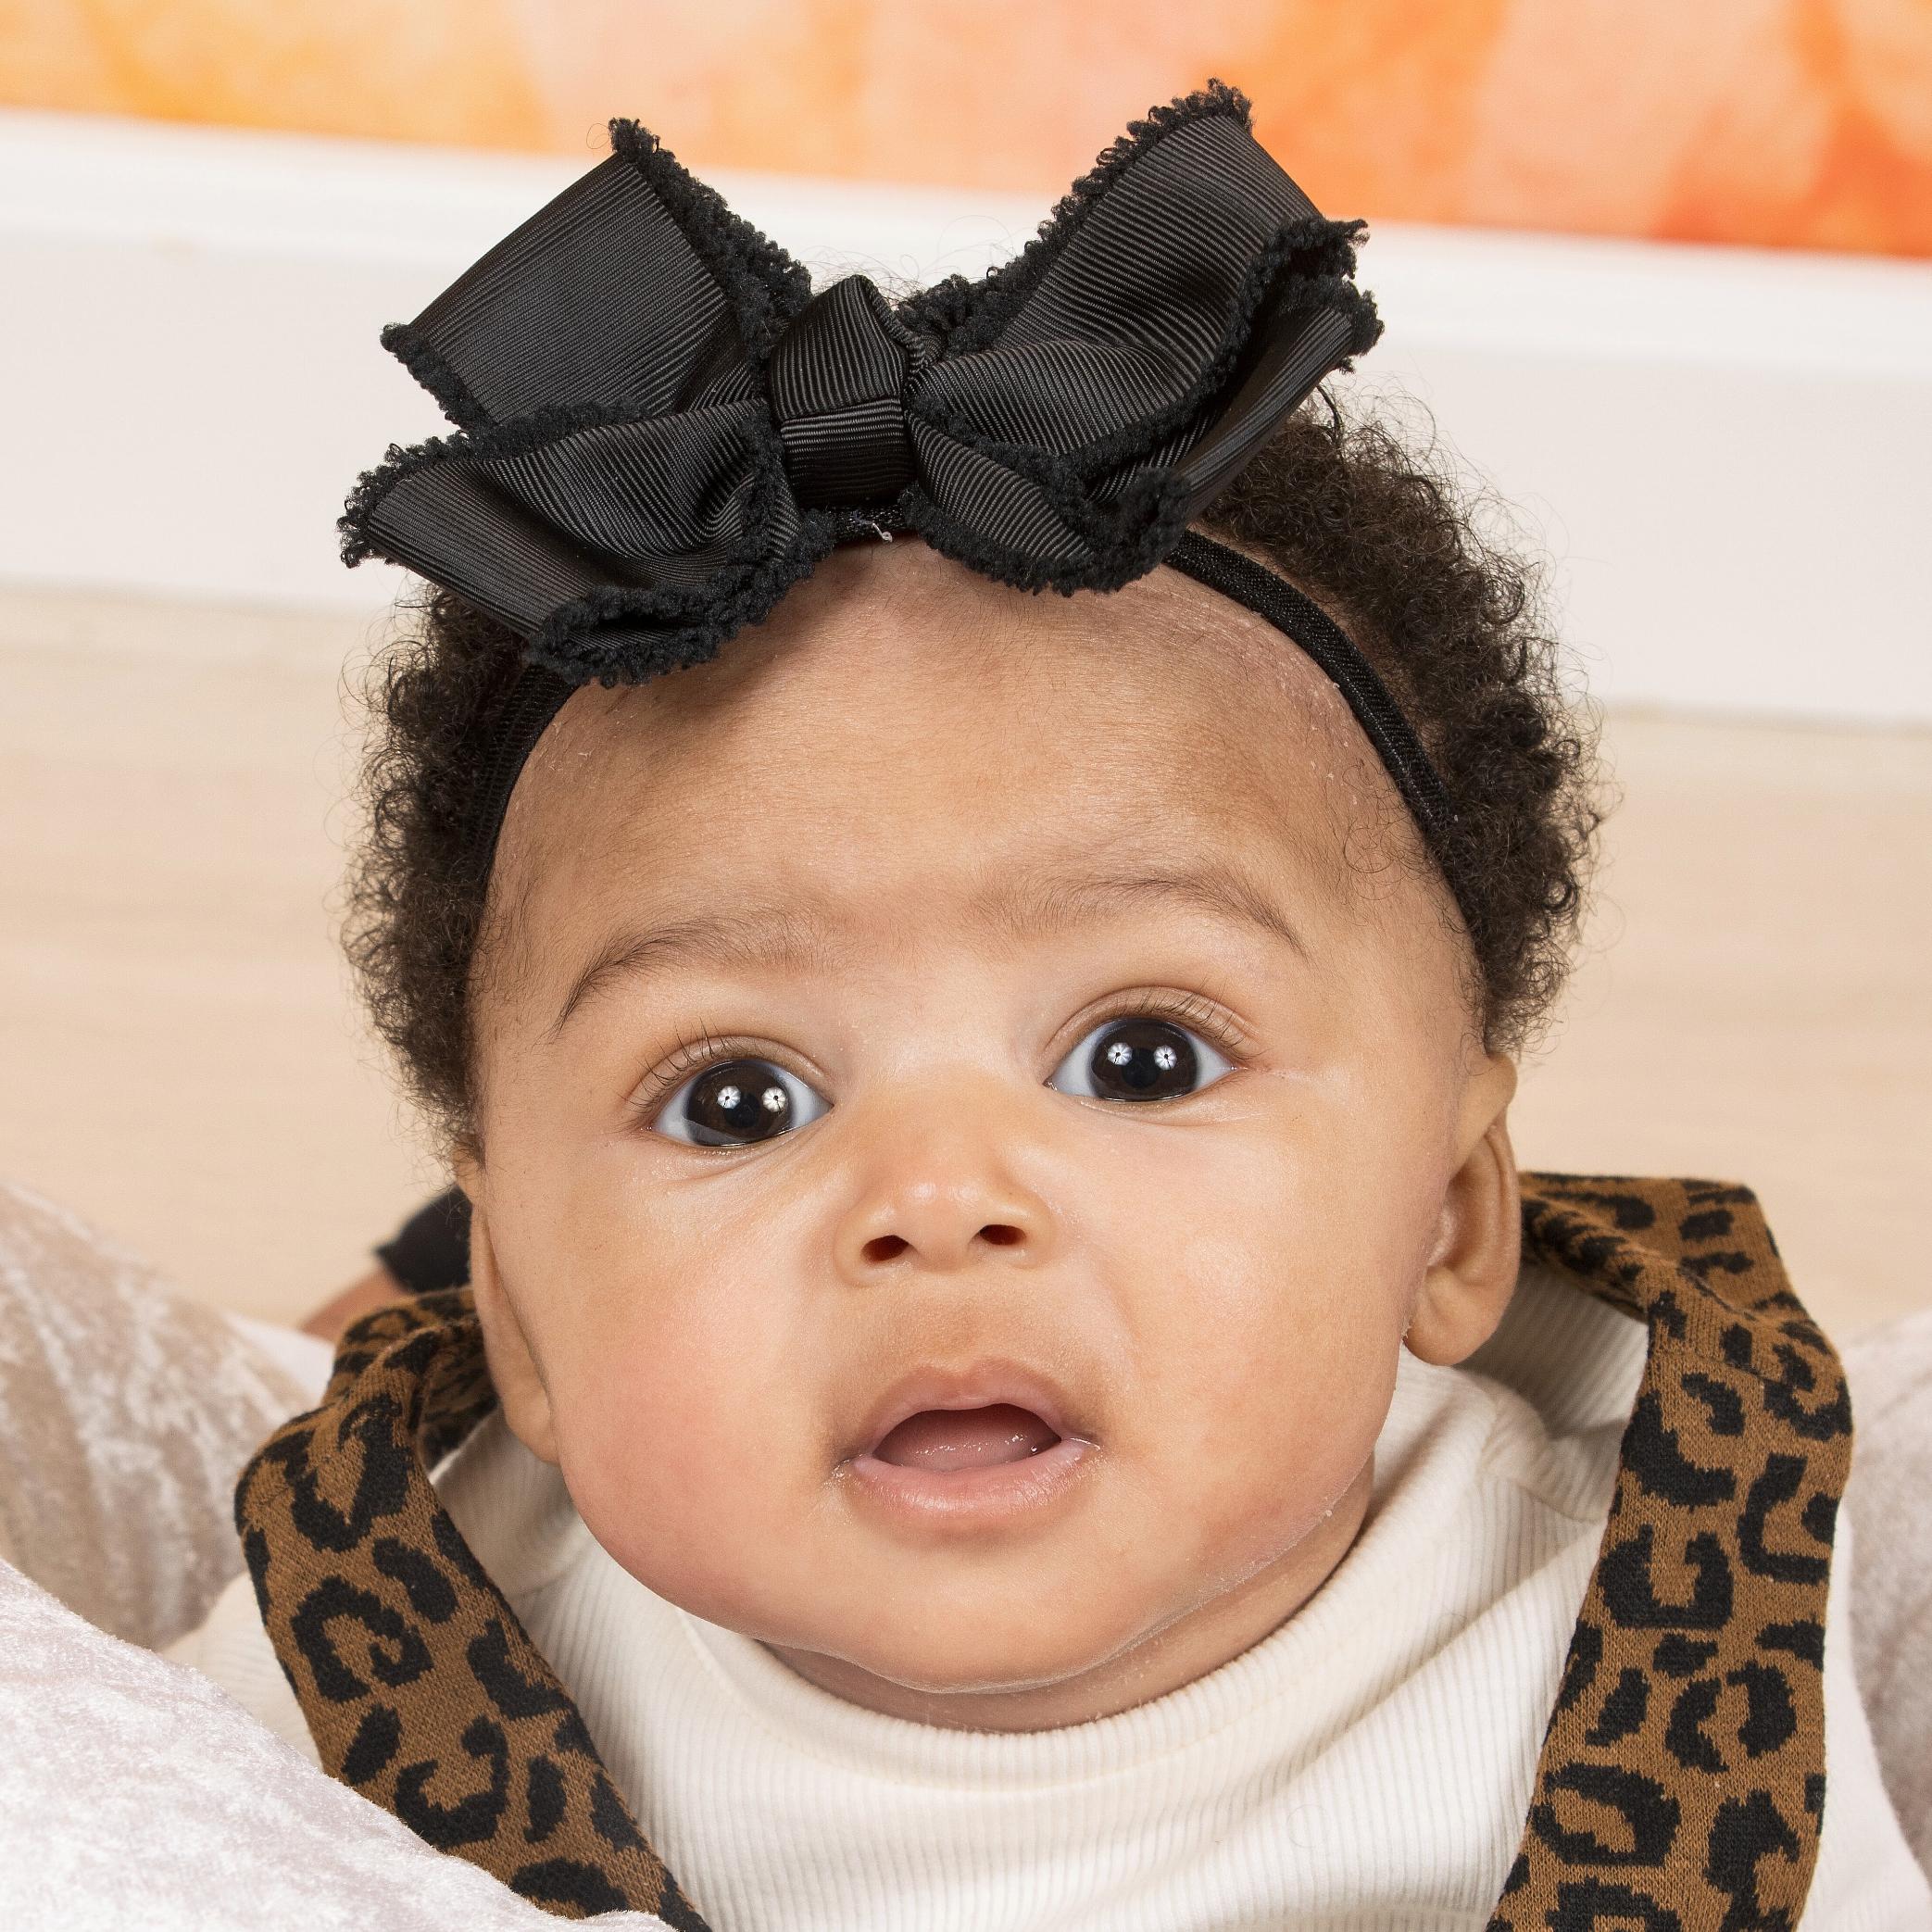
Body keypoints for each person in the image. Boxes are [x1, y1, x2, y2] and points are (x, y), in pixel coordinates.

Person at [167, 83, 1929, 1927]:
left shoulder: (1658, 1637)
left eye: (1140, 1058)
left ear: (1449, 1214)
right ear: (517, 1312)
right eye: (737, 1097)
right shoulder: (387, 1658)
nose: (938, 1196)